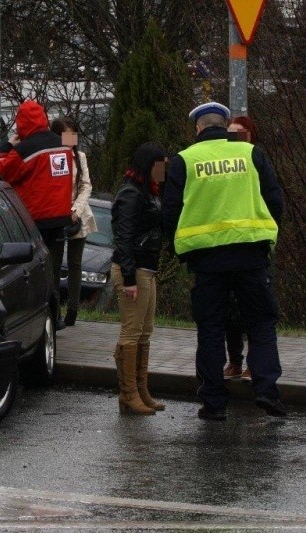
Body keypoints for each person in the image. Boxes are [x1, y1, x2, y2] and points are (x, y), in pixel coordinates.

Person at [163, 102, 285, 421]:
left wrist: (182, 249)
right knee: (260, 322)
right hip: (251, 255)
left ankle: (214, 402)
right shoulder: (250, 154)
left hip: (206, 260)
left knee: (211, 328)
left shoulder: (184, 161)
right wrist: (264, 237)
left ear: (199, 129)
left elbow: (170, 212)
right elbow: (275, 200)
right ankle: (266, 390)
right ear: (224, 125)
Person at [0, 100, 74, 306]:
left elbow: (1, 172)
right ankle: (55, 314)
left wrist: (7, 146)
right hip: (60, 218)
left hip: (35, 219)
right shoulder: (63, 143)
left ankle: (34, 308)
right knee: (52, 269)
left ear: (21, 123)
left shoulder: (25, 149)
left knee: (30, 270)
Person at [111, 142, 167, 416]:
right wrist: (130, 278)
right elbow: (124, 238)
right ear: (149, 165)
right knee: (132, 331)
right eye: (160, 164)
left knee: (145, 331)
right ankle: (128, 393)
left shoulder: (148, 192)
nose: (163, 169)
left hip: (147, 269)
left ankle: (140, 390)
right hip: (133, 271)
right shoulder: (131, 194)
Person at [222, 115, 260, 382]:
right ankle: (234, 362)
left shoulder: (257, 160)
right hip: (226, 245)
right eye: (230, 133)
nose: (233, 138)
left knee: (253, 312)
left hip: (252, 246)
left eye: (239, 133)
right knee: (230, 313)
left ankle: (252, 365)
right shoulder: (222, 165)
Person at [49, 117, 97, 327]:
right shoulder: (50, 156)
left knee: (75, 263)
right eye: (65, 135)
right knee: (54, 264)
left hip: (78, 213)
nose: (70, 140)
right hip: (56, 215)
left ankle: (73, 310)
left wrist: (75, 209)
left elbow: (86, 185)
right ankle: (55, 310)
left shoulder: (80, 157)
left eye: (73, 135)